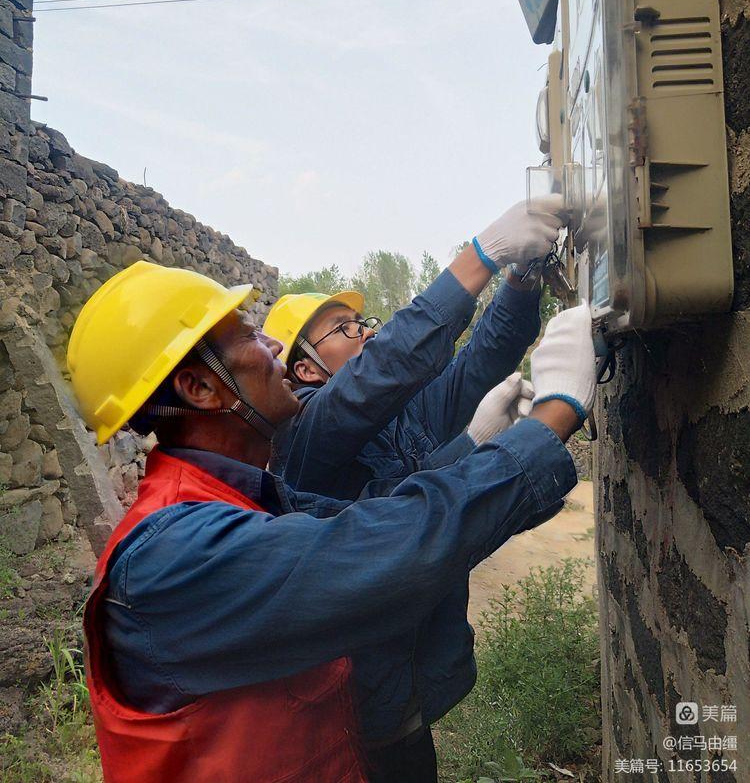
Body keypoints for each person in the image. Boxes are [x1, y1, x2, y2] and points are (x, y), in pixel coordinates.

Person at [68, 259, 595, 783]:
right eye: (250, 336)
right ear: (200, 388)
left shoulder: (253, 497)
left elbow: (385, 518)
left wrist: (488, 443)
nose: (271, 344)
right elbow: (396, 547)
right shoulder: (175, 553)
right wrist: (554, 417)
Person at [265, 198, 564, 499]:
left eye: (361, 322)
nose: (367, 331)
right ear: (306, 369)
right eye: (345, 327)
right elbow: (383, 366)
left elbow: (481, 361)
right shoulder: (298, 436)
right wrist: (482, 255)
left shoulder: (402, 416)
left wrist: (522, 275)